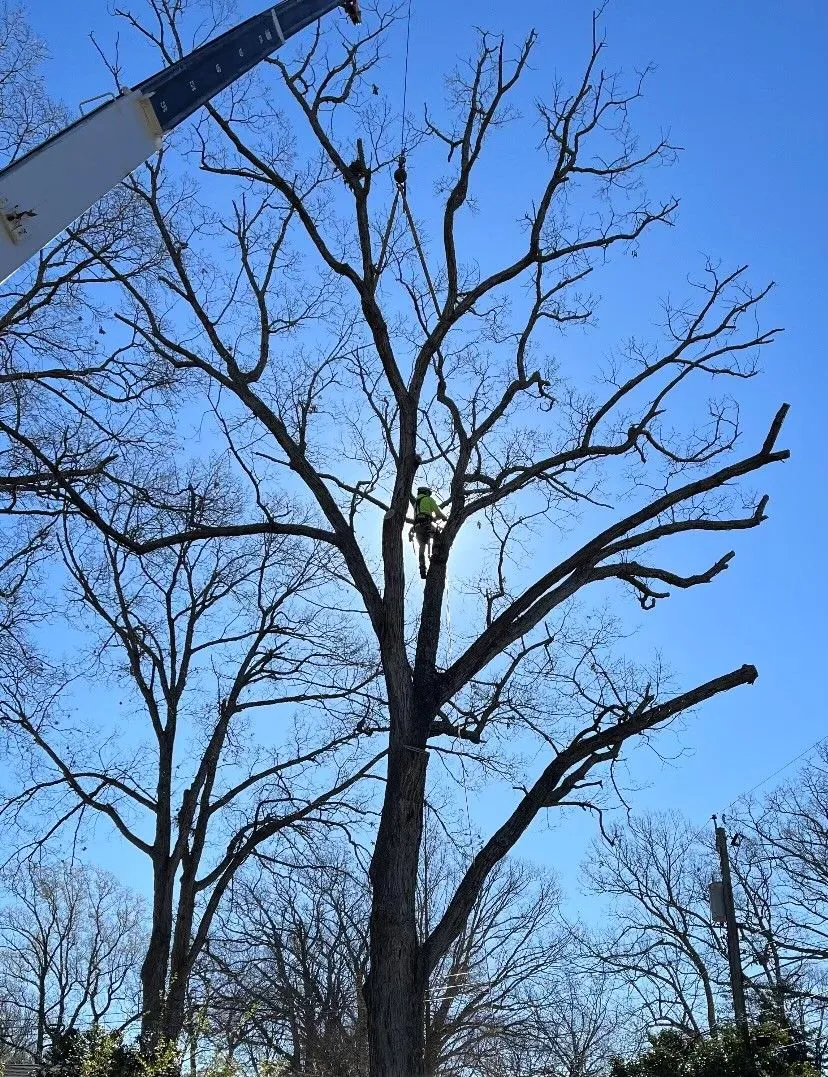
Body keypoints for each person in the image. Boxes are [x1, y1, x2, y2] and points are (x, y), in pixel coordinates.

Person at [410, 485, 447, 580]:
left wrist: (433, 518)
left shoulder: (416, 503)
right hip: (426, 524)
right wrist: (444, 517)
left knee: (422, 547)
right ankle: (435, 554)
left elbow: (422, 513)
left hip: (417, 527)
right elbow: (438, 513)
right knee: (438, 536)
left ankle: (422, 568)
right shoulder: (428, 499)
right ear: (426, 493)